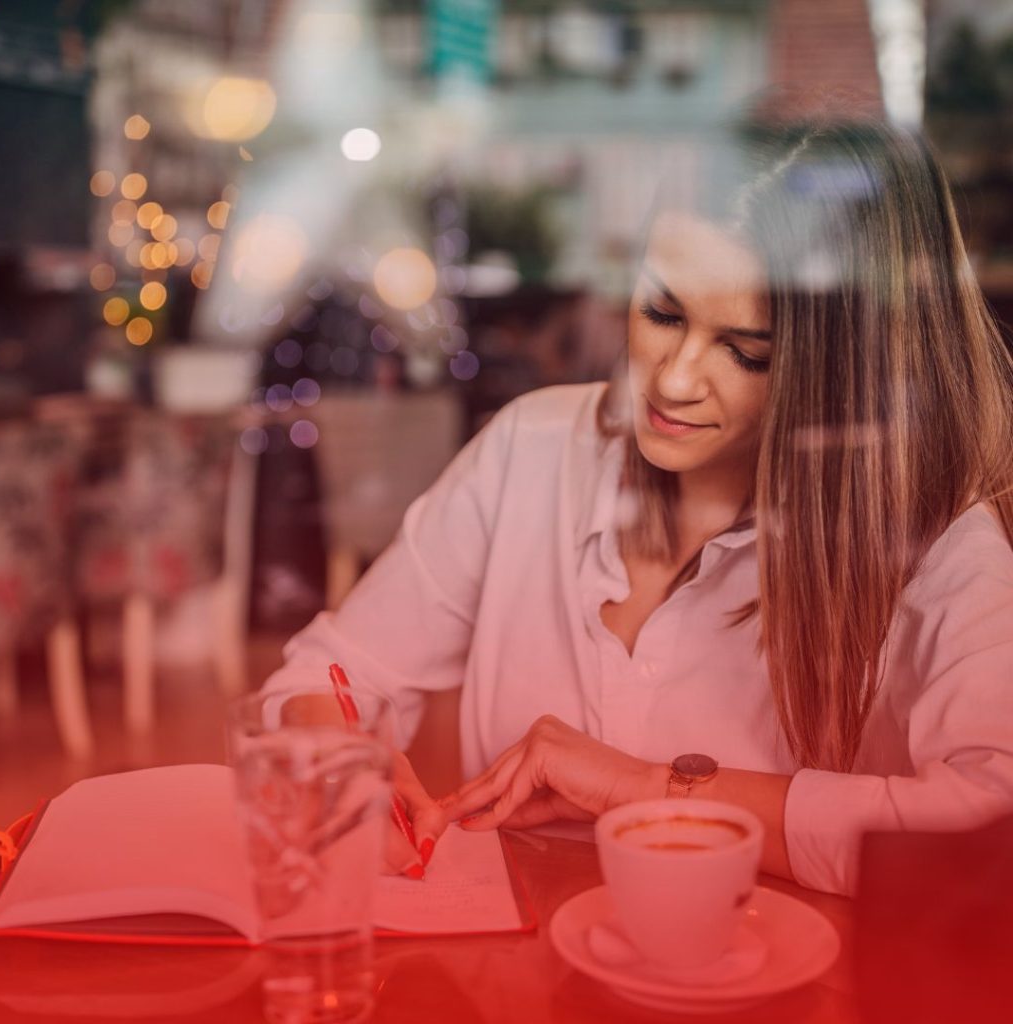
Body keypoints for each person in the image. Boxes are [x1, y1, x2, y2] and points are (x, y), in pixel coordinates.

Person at [264, 119, 1013, 896]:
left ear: (847, 370)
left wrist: (650, 791)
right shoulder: (535, 448)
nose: (675, 381)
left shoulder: (934, 536)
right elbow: (329, 671)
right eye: (662, 313)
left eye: (745, 351)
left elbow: (990, 835)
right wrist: (339, 758)